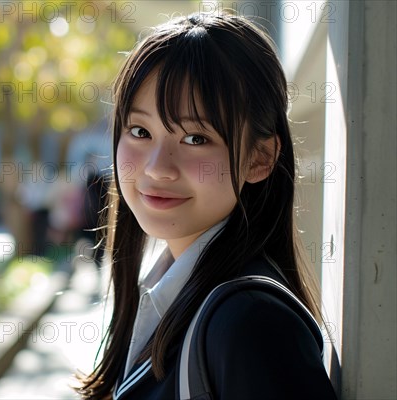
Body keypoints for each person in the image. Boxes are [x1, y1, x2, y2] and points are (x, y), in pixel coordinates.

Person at [76, 11, 337, 400]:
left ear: (259, 158)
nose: (157, 168)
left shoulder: (251, 325)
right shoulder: (167, 293)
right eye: (140, 131)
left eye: (195, 138)